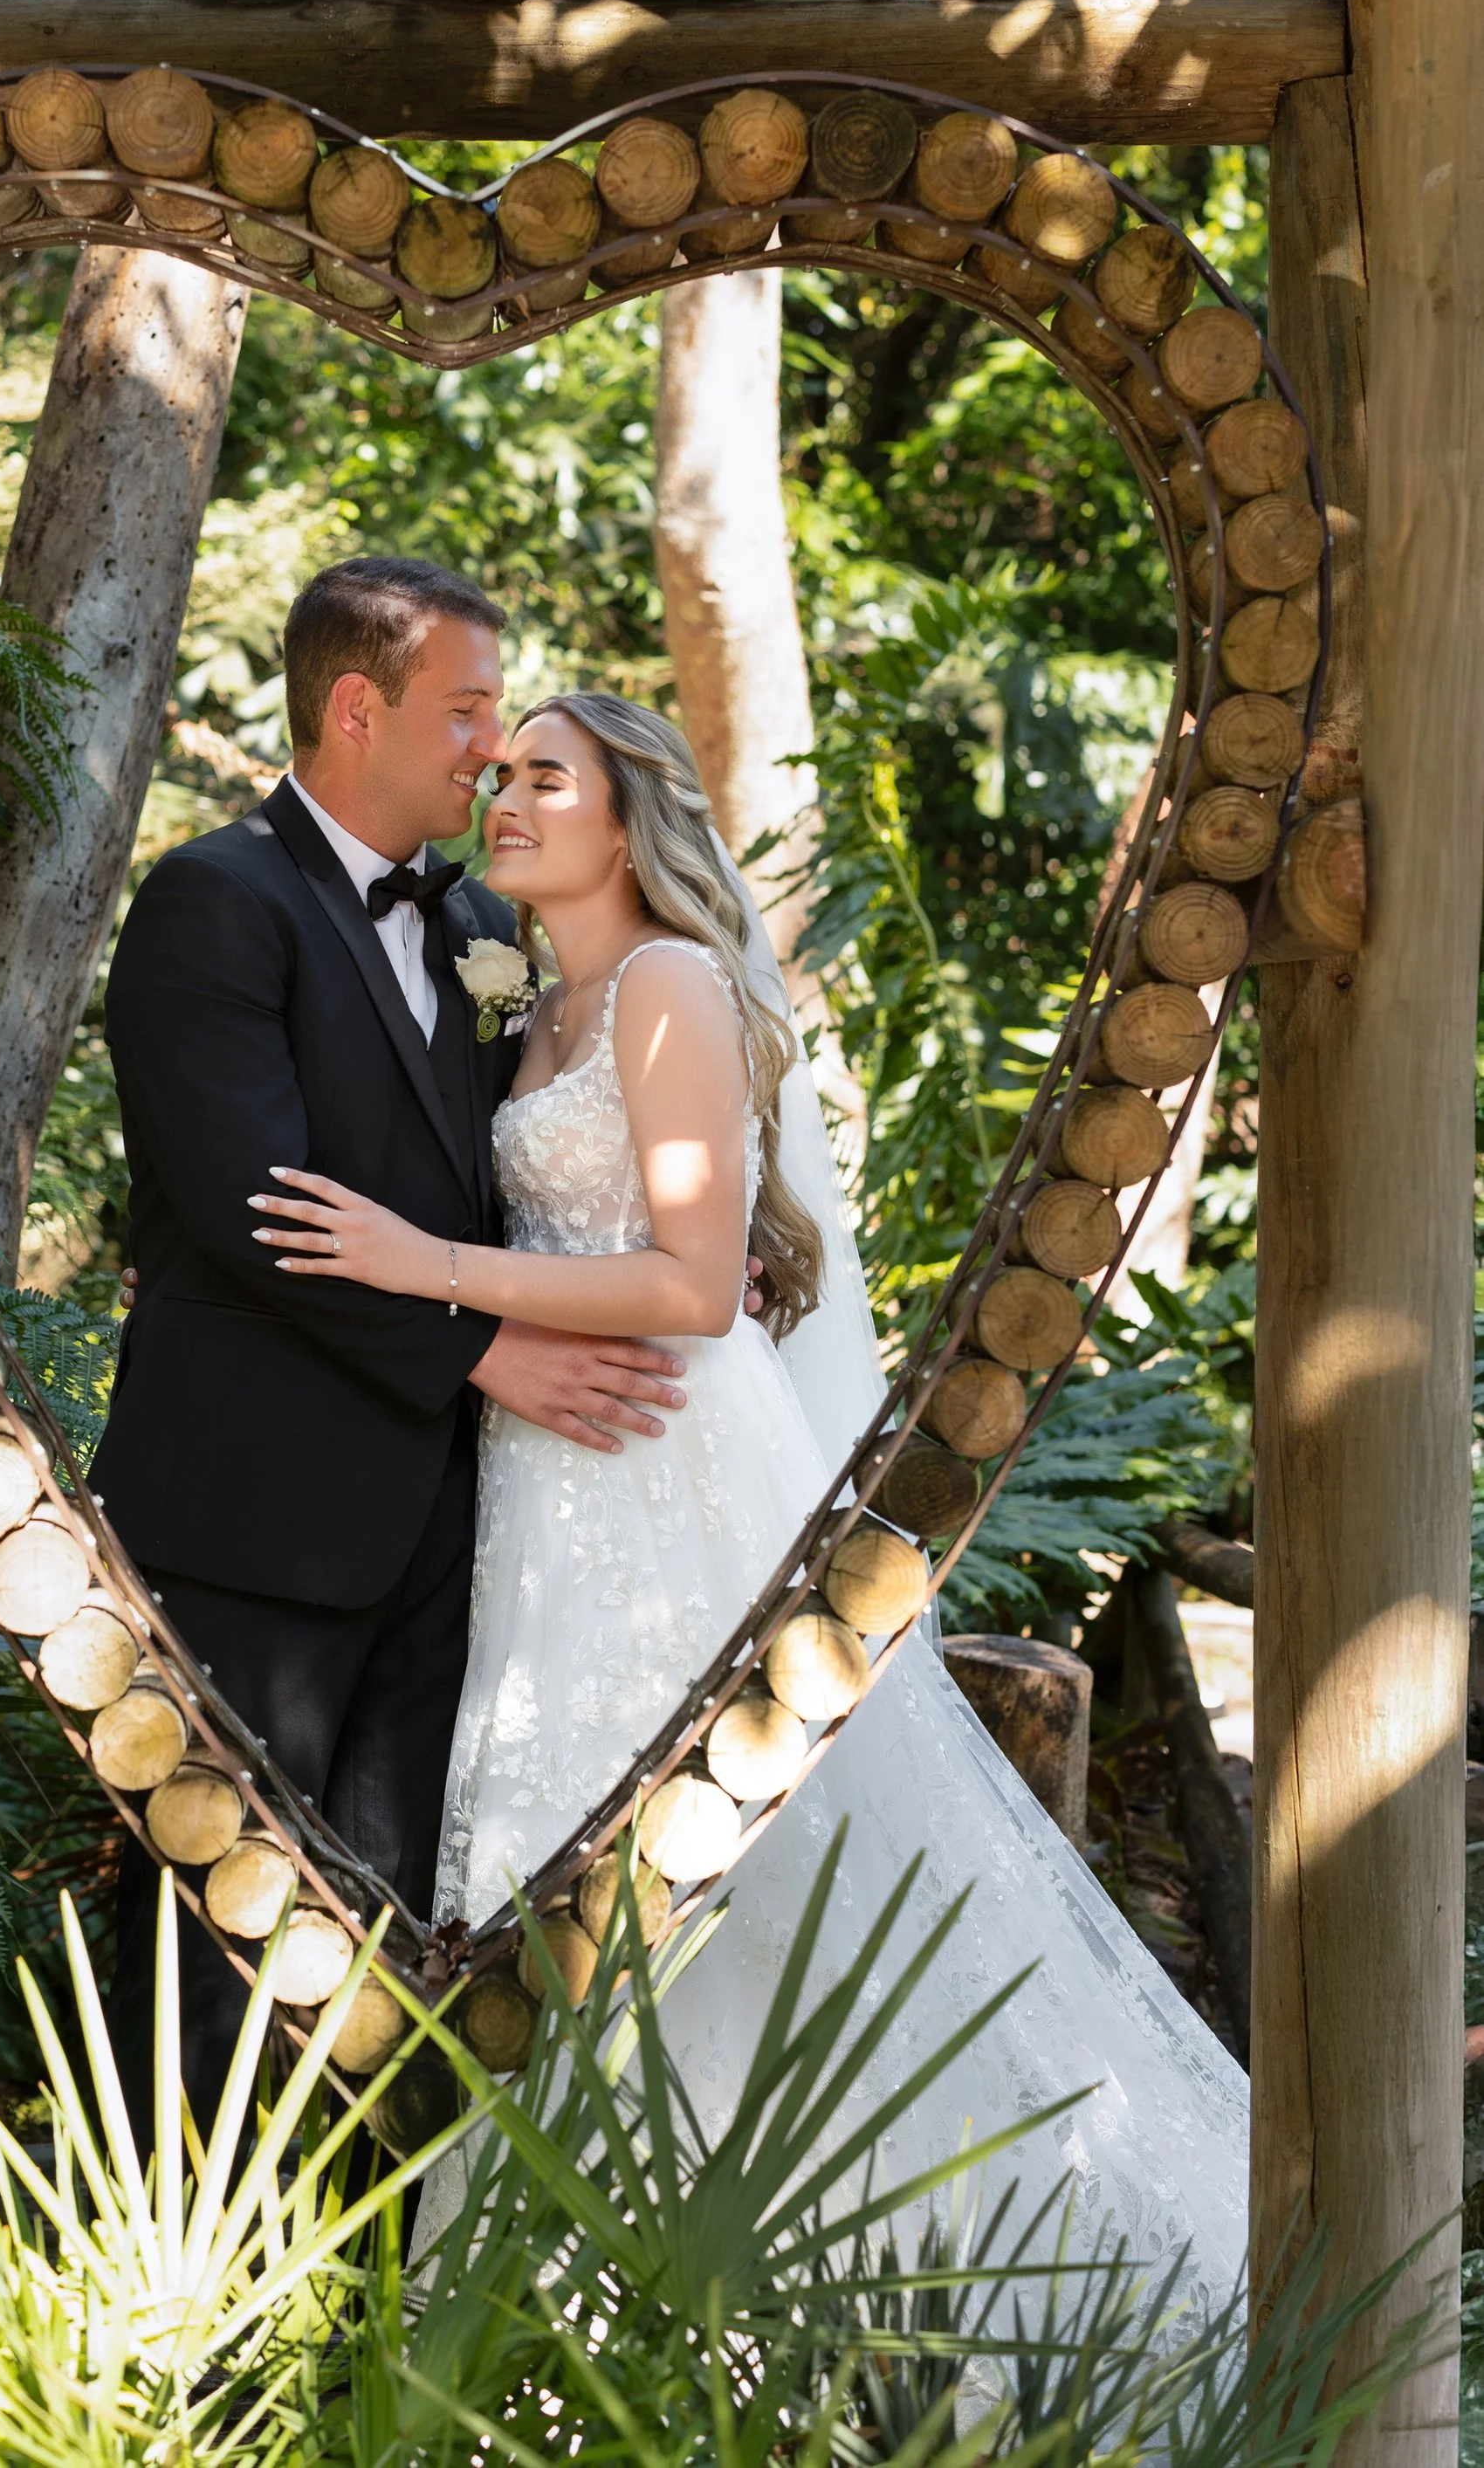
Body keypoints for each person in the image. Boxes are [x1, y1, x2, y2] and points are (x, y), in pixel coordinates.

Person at [250, 689, 1249, 2300]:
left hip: (670, 1476)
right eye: (496, 776)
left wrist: (420, 1269)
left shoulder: (666, 984)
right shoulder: (538, 1011)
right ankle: (581, 2305)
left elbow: (700, 1276)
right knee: (553, 1866)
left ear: (631, 812)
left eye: (544, 776)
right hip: (539, 1483)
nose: (504, 798)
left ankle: (874, 2286)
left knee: (726, 1859)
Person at [94, 560, 690, 2133]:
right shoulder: (214, 900)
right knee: (216, 1942)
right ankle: (173, 2309)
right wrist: (482, 1348)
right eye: (469, 709)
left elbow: (574, 1134)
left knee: (398, 1940)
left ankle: (352, 2306)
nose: (492, 749)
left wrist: (719, 1242)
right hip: (251, 1525)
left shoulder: (491, 928)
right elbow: (253, 1210)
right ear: (357, 708)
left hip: (449, 1533)